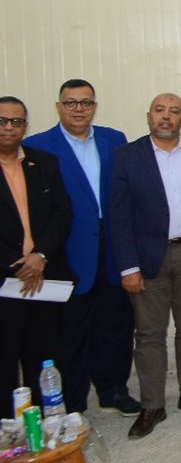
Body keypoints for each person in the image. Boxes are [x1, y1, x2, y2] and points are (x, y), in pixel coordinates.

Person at [24, 79, 138, 416]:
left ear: (94, 107)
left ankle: (113, 390)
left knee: (116, 325)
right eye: (71, 103)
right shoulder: (37, 146)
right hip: (67, 251)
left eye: (85, 103)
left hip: (113, 248)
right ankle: (73, 402)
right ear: (58, 107)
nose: (78, 109)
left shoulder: (113, 139)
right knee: (69, 333)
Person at [108, 94, 181, 438]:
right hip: (146, 257)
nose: (166, 117)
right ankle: (152, 404)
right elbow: (119, 216)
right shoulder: (128, 156)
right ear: (149, 116)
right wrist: (128, 267)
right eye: (160, 111)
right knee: (149, 333)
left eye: (174, 111)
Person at [0, 96, 73, 418]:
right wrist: (18, 265)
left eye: (16, 122)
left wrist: (40, 255)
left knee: (43, 357)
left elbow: (62, 213)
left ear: (25, 126)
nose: (9, 127)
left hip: (44, 277)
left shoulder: (43, 163)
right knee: (4, 361)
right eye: (2, 121)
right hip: (5, 282)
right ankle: (8, 429)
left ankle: (43, 424)